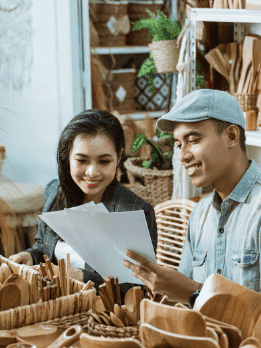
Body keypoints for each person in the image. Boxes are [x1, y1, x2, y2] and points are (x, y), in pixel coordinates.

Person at [122, 90, 261, 348]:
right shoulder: (201, 213)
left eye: (193, 140)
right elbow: (180, 299)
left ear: (231, 136)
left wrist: (194, 294)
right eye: (179, 144)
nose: (182, 155)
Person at [9, 110, 158, 286]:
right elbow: (42, 248)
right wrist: (28, 256)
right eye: (82, 160)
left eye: (104, 161)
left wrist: (78, 276)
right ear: (67, 157)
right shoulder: (54, 192)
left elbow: (138, 287)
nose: (92, 173)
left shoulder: (135, 212)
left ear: (118, 157)